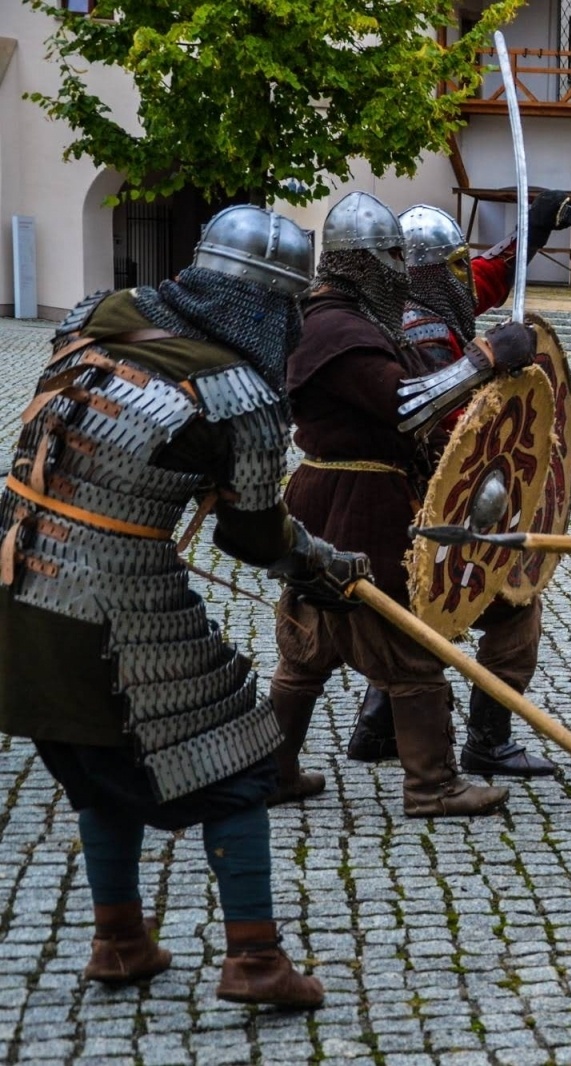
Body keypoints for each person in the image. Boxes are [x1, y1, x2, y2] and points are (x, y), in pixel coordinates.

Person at [0, 205, 356, 1007]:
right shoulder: (238, 395)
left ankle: (119, 941)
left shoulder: (93, 325)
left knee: (96, 763)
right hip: (108, 608)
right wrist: (322, 566)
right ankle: (255, 962)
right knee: (240, 763)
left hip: (16, 593)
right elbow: (252, 535)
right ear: (275, 307)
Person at [267, 191, 539, 818]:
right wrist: (487, 357)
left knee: (308, 646)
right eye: (390, 254)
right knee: (406, 643)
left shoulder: (344, 318)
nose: (400, 265)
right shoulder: (337, 329)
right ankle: (432, 785)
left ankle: (273, 770)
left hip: (329, 499)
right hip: (359, 503)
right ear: (363, 260)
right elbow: (405, 404)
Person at [343, 192, 571, 777]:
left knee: (406, 611)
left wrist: (533, 230)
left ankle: (377, 723)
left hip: (393, 502)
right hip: (432, 502)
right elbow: (454, 437)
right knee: (511, 608)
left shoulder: (403, 301)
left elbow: (487, 277)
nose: (464, 276)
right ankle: (487, 740)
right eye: (452, 265)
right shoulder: (422, 336)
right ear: (426, 272)